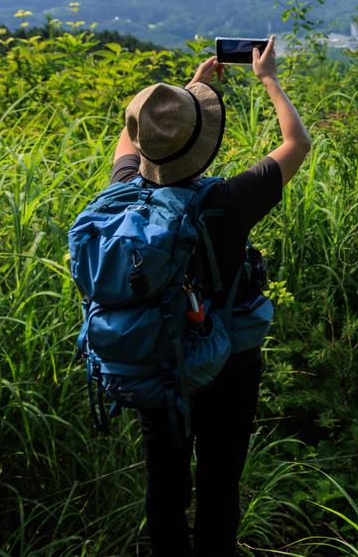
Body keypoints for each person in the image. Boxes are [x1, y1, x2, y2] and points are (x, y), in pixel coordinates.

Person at [107, 35, 310, 557]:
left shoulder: (127, 190)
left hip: (157, 359)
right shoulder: (229, 200)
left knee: (165, 480)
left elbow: (129, 144)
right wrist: (267, 78)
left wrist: (182, 99)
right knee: (220, 482)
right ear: (206, 144)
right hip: (229, 360)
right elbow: (297, 143)